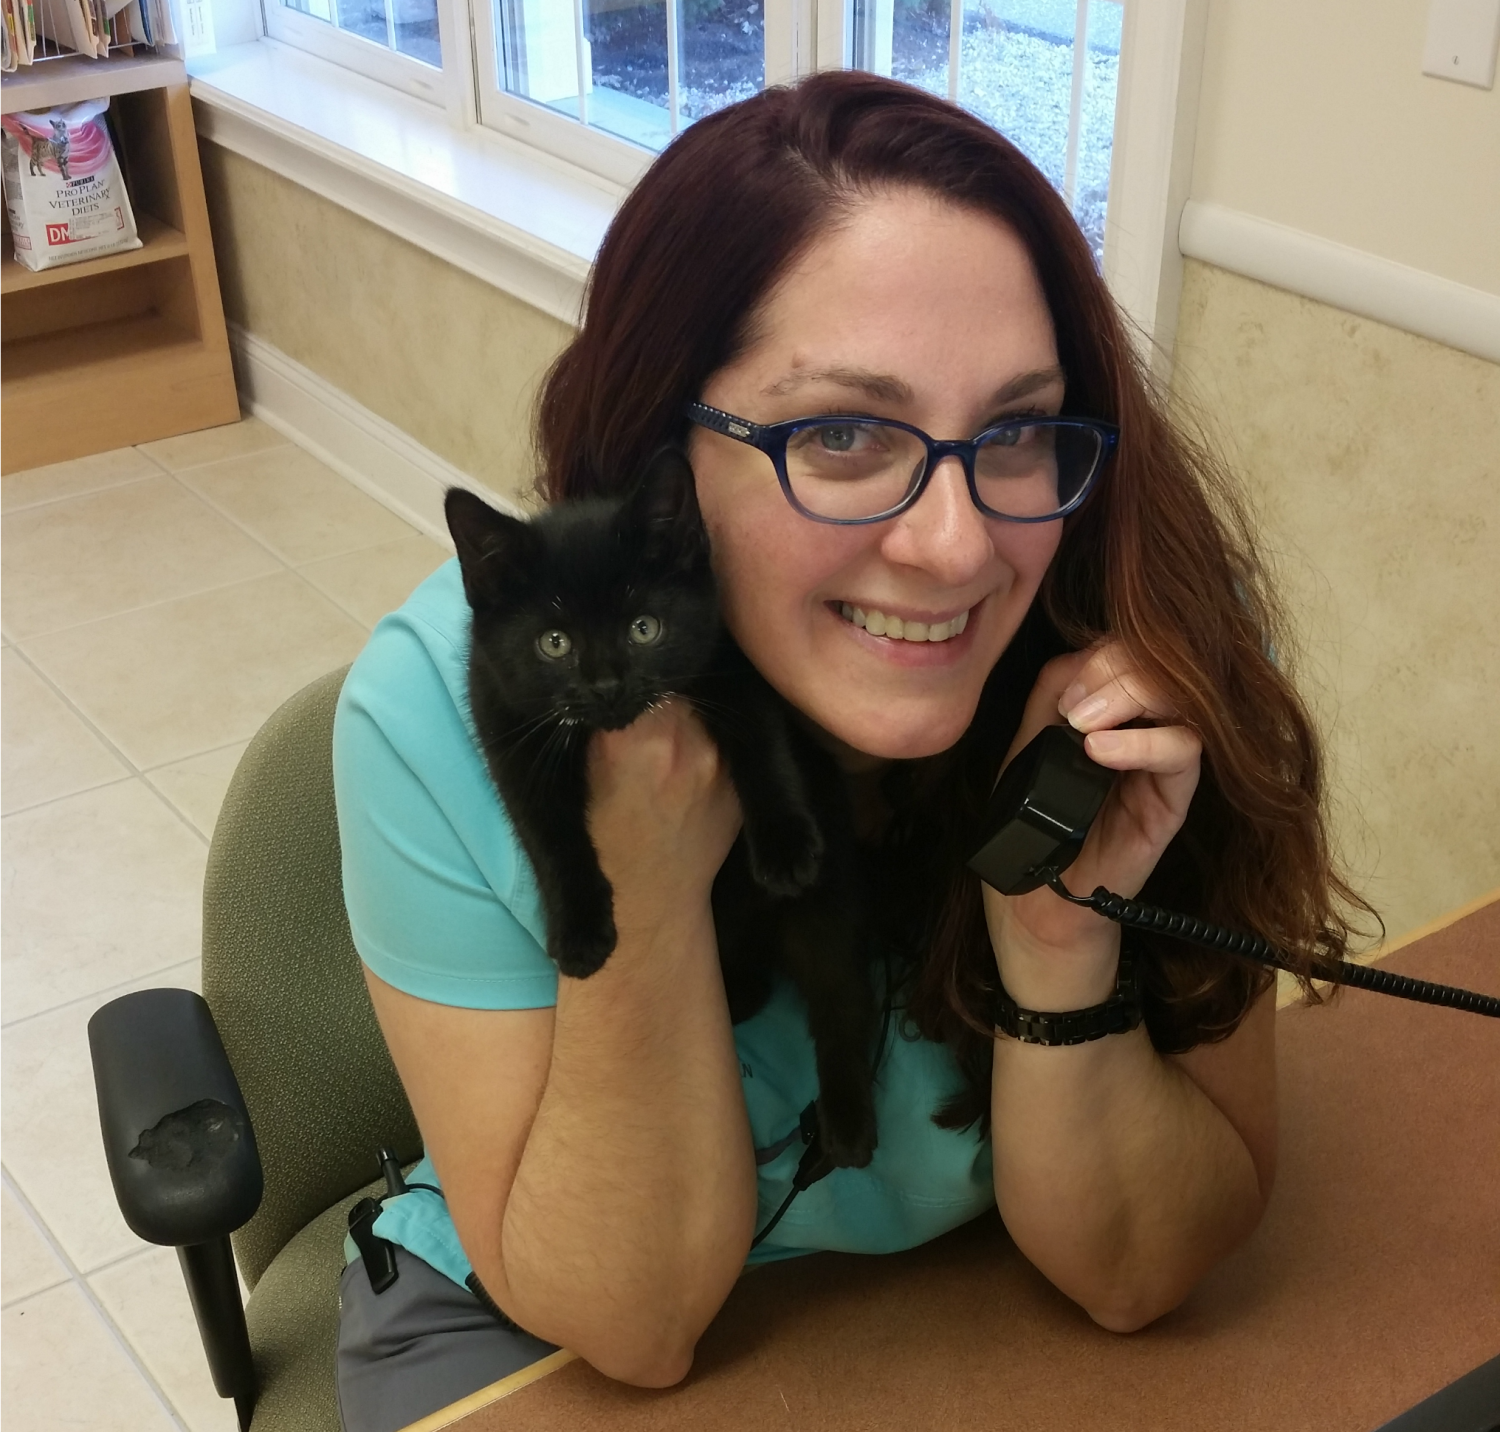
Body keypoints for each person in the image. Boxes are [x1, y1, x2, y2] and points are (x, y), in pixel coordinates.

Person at [330, 71, 1362, 1431]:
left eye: (1013, 431)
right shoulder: (437, 722)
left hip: (959, 1316)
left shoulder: (1146, 669)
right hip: (546, 1347)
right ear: (661, 462)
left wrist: (1060, 937)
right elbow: (632, 1332)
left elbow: (1138, 1274)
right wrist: (640, 886)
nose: (954, 547)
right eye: (841, 433)